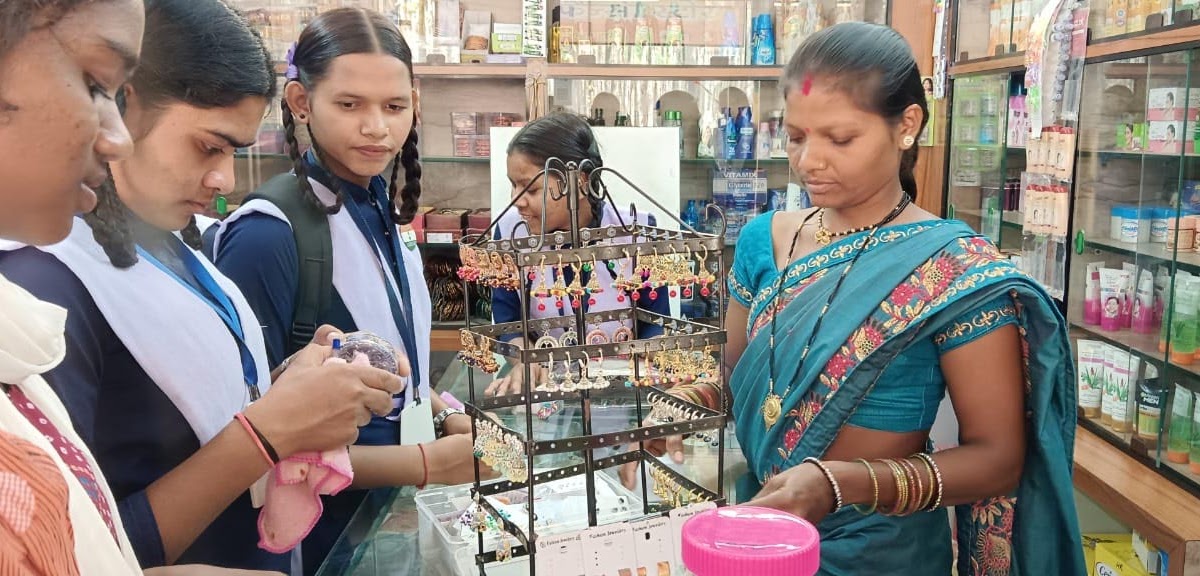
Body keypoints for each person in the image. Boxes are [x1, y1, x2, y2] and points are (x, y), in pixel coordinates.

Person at [629, 22, 1084, 574]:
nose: (809, 161)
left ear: (907, 126)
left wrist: (839, 484)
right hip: (762, 531)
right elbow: (735, 375)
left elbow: (998, 460)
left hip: (881, 553)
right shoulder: (763, 240)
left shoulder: (951, 269)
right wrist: (678, 407)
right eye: (796, 137)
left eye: (840, 139)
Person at [0, 0, 406, 571]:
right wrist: (268, 430)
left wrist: (292, 387)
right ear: (130, 104)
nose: (223, 179)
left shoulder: (176, 244)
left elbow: (202, 417)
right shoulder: (42, 283)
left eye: (234, 152)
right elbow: (80, 545)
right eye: (208, 146)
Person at [211, 9, 480, 573]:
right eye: (350, 104)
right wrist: (425, 463)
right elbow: (250, 436)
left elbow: (391, 357)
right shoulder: (268, 234)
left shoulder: (382, 210)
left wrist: (441, 411)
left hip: (380, 525)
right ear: (300, 102)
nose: (376, 127)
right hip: (314, 542)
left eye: (394, 107)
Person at [484, 113, 671, 396]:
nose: (516, 200)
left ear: (580, 182)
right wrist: (525, 359)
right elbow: (507, 320)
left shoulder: (634, 232)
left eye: (530, 188)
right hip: (545, 392)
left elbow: (656, 321)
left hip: (621, 392)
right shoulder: (511, 233)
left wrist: (652, 355)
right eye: (513, 185)